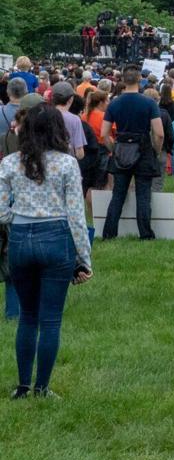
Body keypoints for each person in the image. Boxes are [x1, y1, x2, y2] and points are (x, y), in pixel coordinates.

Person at [3, 104, 92, 399]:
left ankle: (23, 386)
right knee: (51, 319)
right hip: (56, 236)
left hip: (19, 238)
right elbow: (76, 215)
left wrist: (17, 217)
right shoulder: (67, 164)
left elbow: (1, 210)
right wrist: (84, 258)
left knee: (28, 316)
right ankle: (42, 387)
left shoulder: (10, 163)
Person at [100, 66, 164, 241]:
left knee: (118, 194)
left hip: (121, 148)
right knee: (143, 194)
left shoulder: (114, 103)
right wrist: (156, 151)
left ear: (123, 81)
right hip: (143, 149)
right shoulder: (149, 103)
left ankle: (109, 233)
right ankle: (145, 233)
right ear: (139, 80)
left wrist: (114, 148)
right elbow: (159, 133)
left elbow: (104, 133)